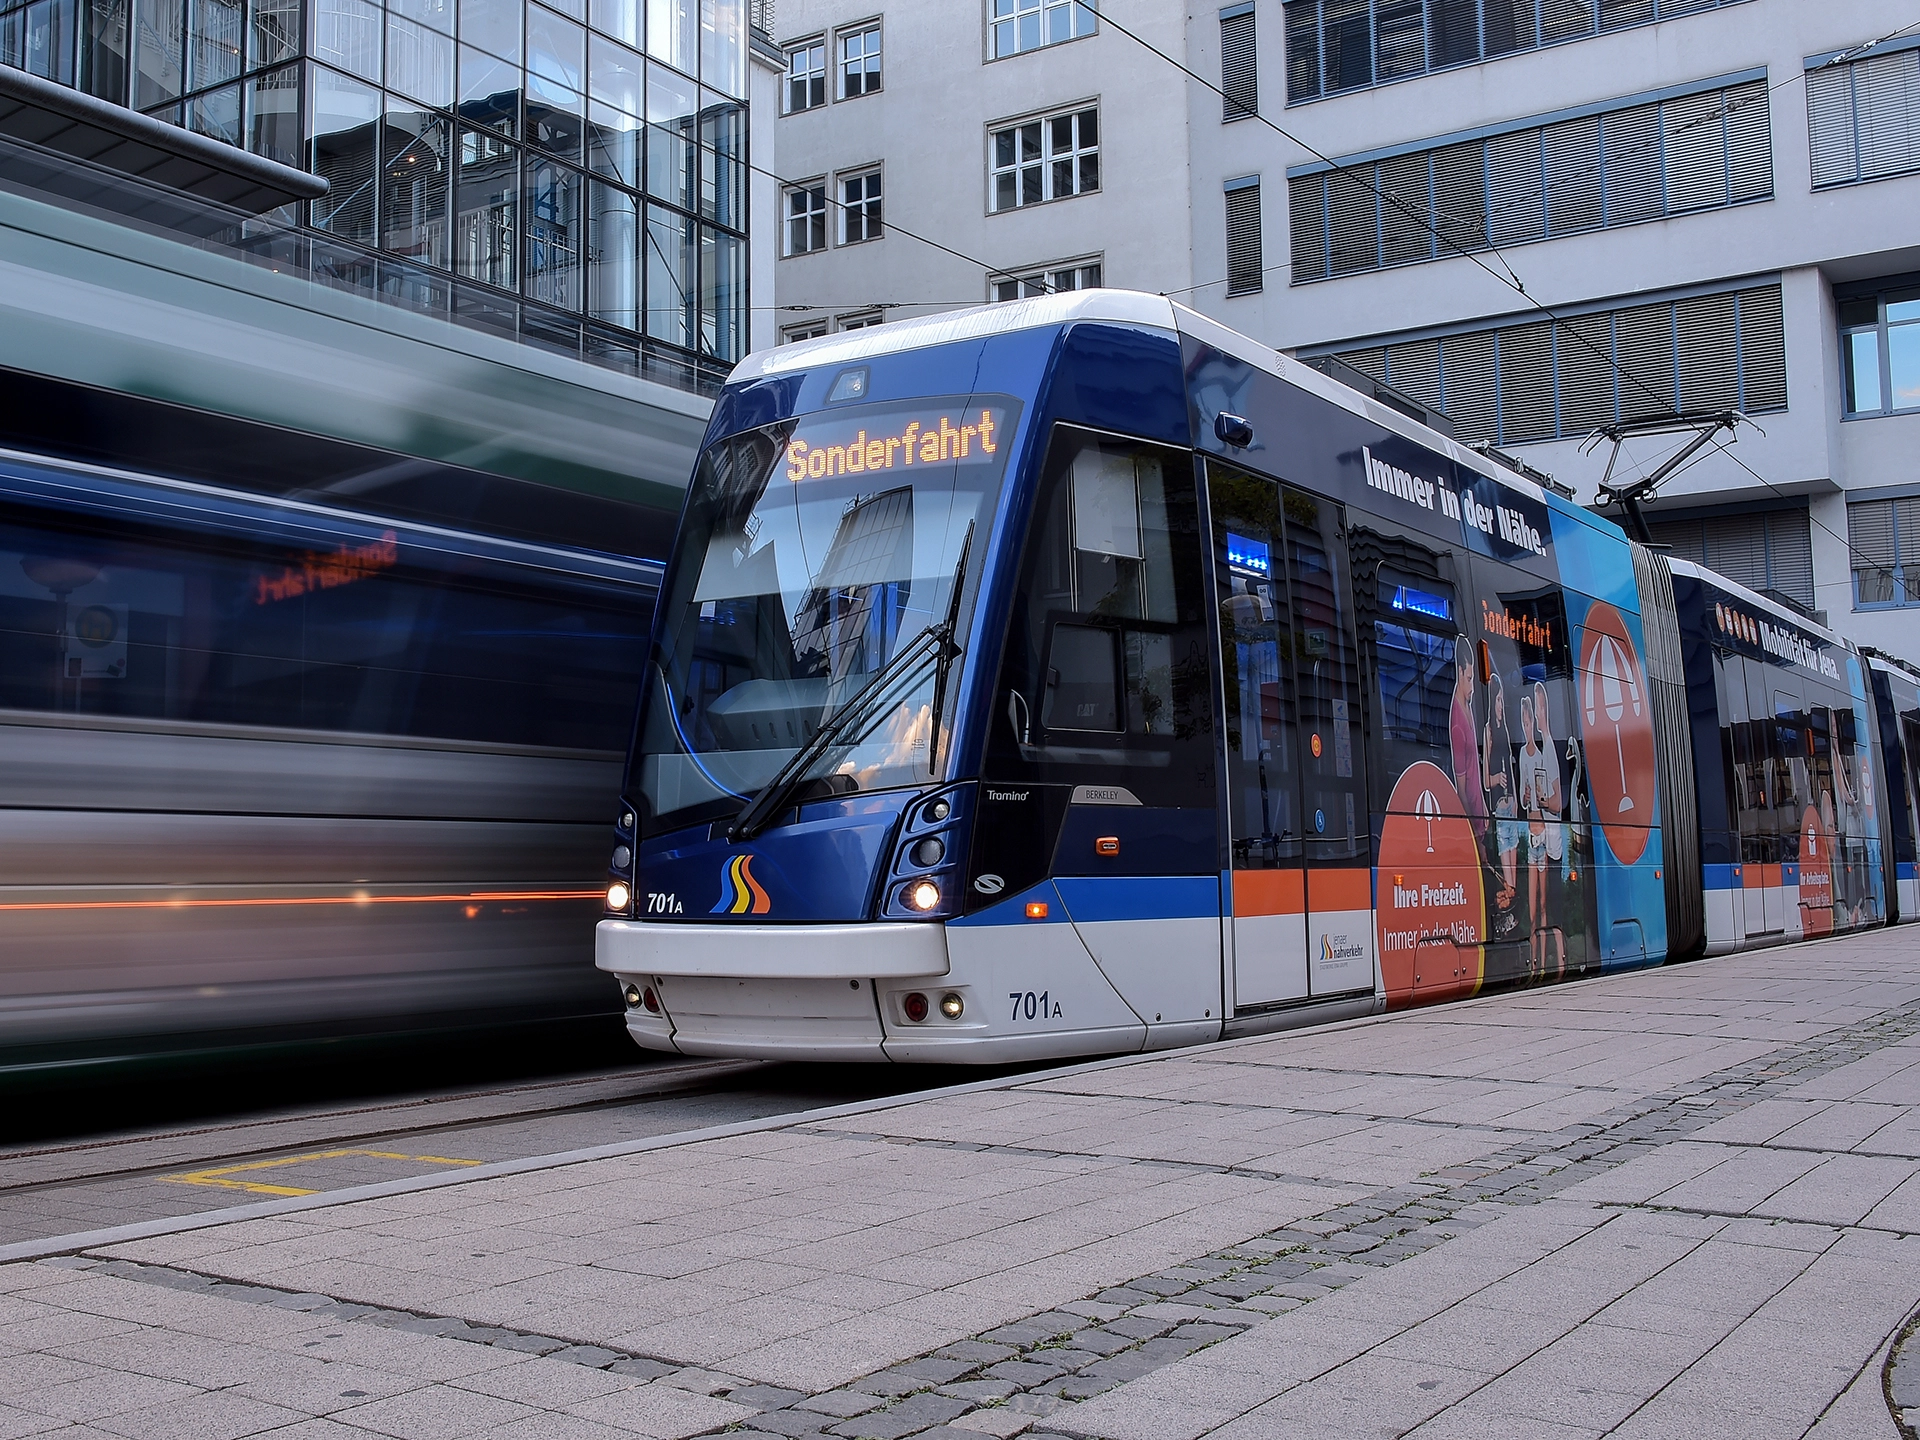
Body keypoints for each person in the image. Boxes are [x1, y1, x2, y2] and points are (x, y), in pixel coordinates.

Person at [1532, 680, 1566, 977]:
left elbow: (1559, 802)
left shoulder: (1551, 748)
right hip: (1543, 841)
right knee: (1544, 905)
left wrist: (1543, 801)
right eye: (1536, 706)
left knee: (1551, 906)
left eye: (1541, 707)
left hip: (1553, 845)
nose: (1539, 714)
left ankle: (1561, 962)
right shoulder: (1542, 748)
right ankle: (1551, 964)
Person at [1484, 672, 1519, 939]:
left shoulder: (1505, 729)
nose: (1500, 705)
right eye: (1497, 700)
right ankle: (1504, 921)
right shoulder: (1488, 732)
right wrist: (1497, 778)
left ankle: (1511, 919)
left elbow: (1512, 770)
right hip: (1498, 807)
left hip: (1511, 807)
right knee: (1506, 878)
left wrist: (1516, 799)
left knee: (1514, 879)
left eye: (1501, 700)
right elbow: (1486, 779)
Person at [1450, 637, 1487, 845]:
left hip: (1481, 822)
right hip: (1474, 831)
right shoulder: (1457, 724)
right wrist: (1474, 835)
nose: (1473, 686)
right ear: (1460, 672)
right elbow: (1461, 790)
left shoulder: (1468, 704)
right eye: (1470, 678)